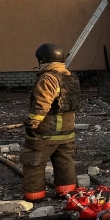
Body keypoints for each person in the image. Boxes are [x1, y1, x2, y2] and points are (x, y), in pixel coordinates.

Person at [21, 43, 82, 202]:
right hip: (67, 132)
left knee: (34, 162)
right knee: (65, 163)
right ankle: (66, 192)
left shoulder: (48, 78)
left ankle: (34, 196)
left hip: (46, 132)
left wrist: (32, 124)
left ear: (43, 60)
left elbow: (42, 104)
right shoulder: (70, 76)